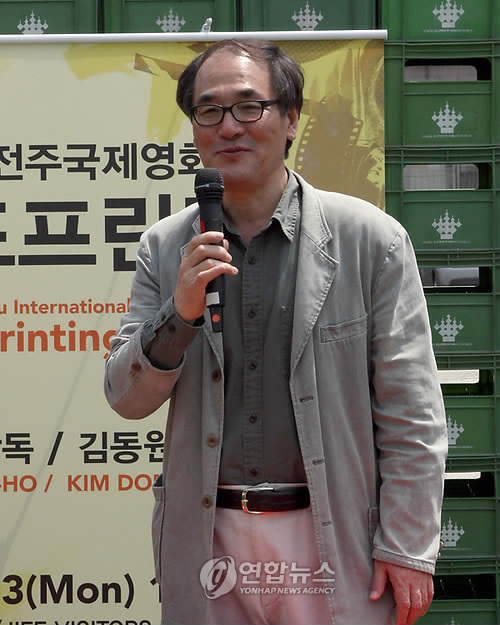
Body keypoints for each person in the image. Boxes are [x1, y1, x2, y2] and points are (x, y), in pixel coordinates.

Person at [104, 39, 447, 625]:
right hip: (209, 535)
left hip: (331, 533)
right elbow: (125, 398)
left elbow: (411, 411)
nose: (228, 126)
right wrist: (180, 313)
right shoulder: (165, 247)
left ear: (290, 118)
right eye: (208, 110)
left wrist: (406, 545)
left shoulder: (371, 239)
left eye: (249, 106)